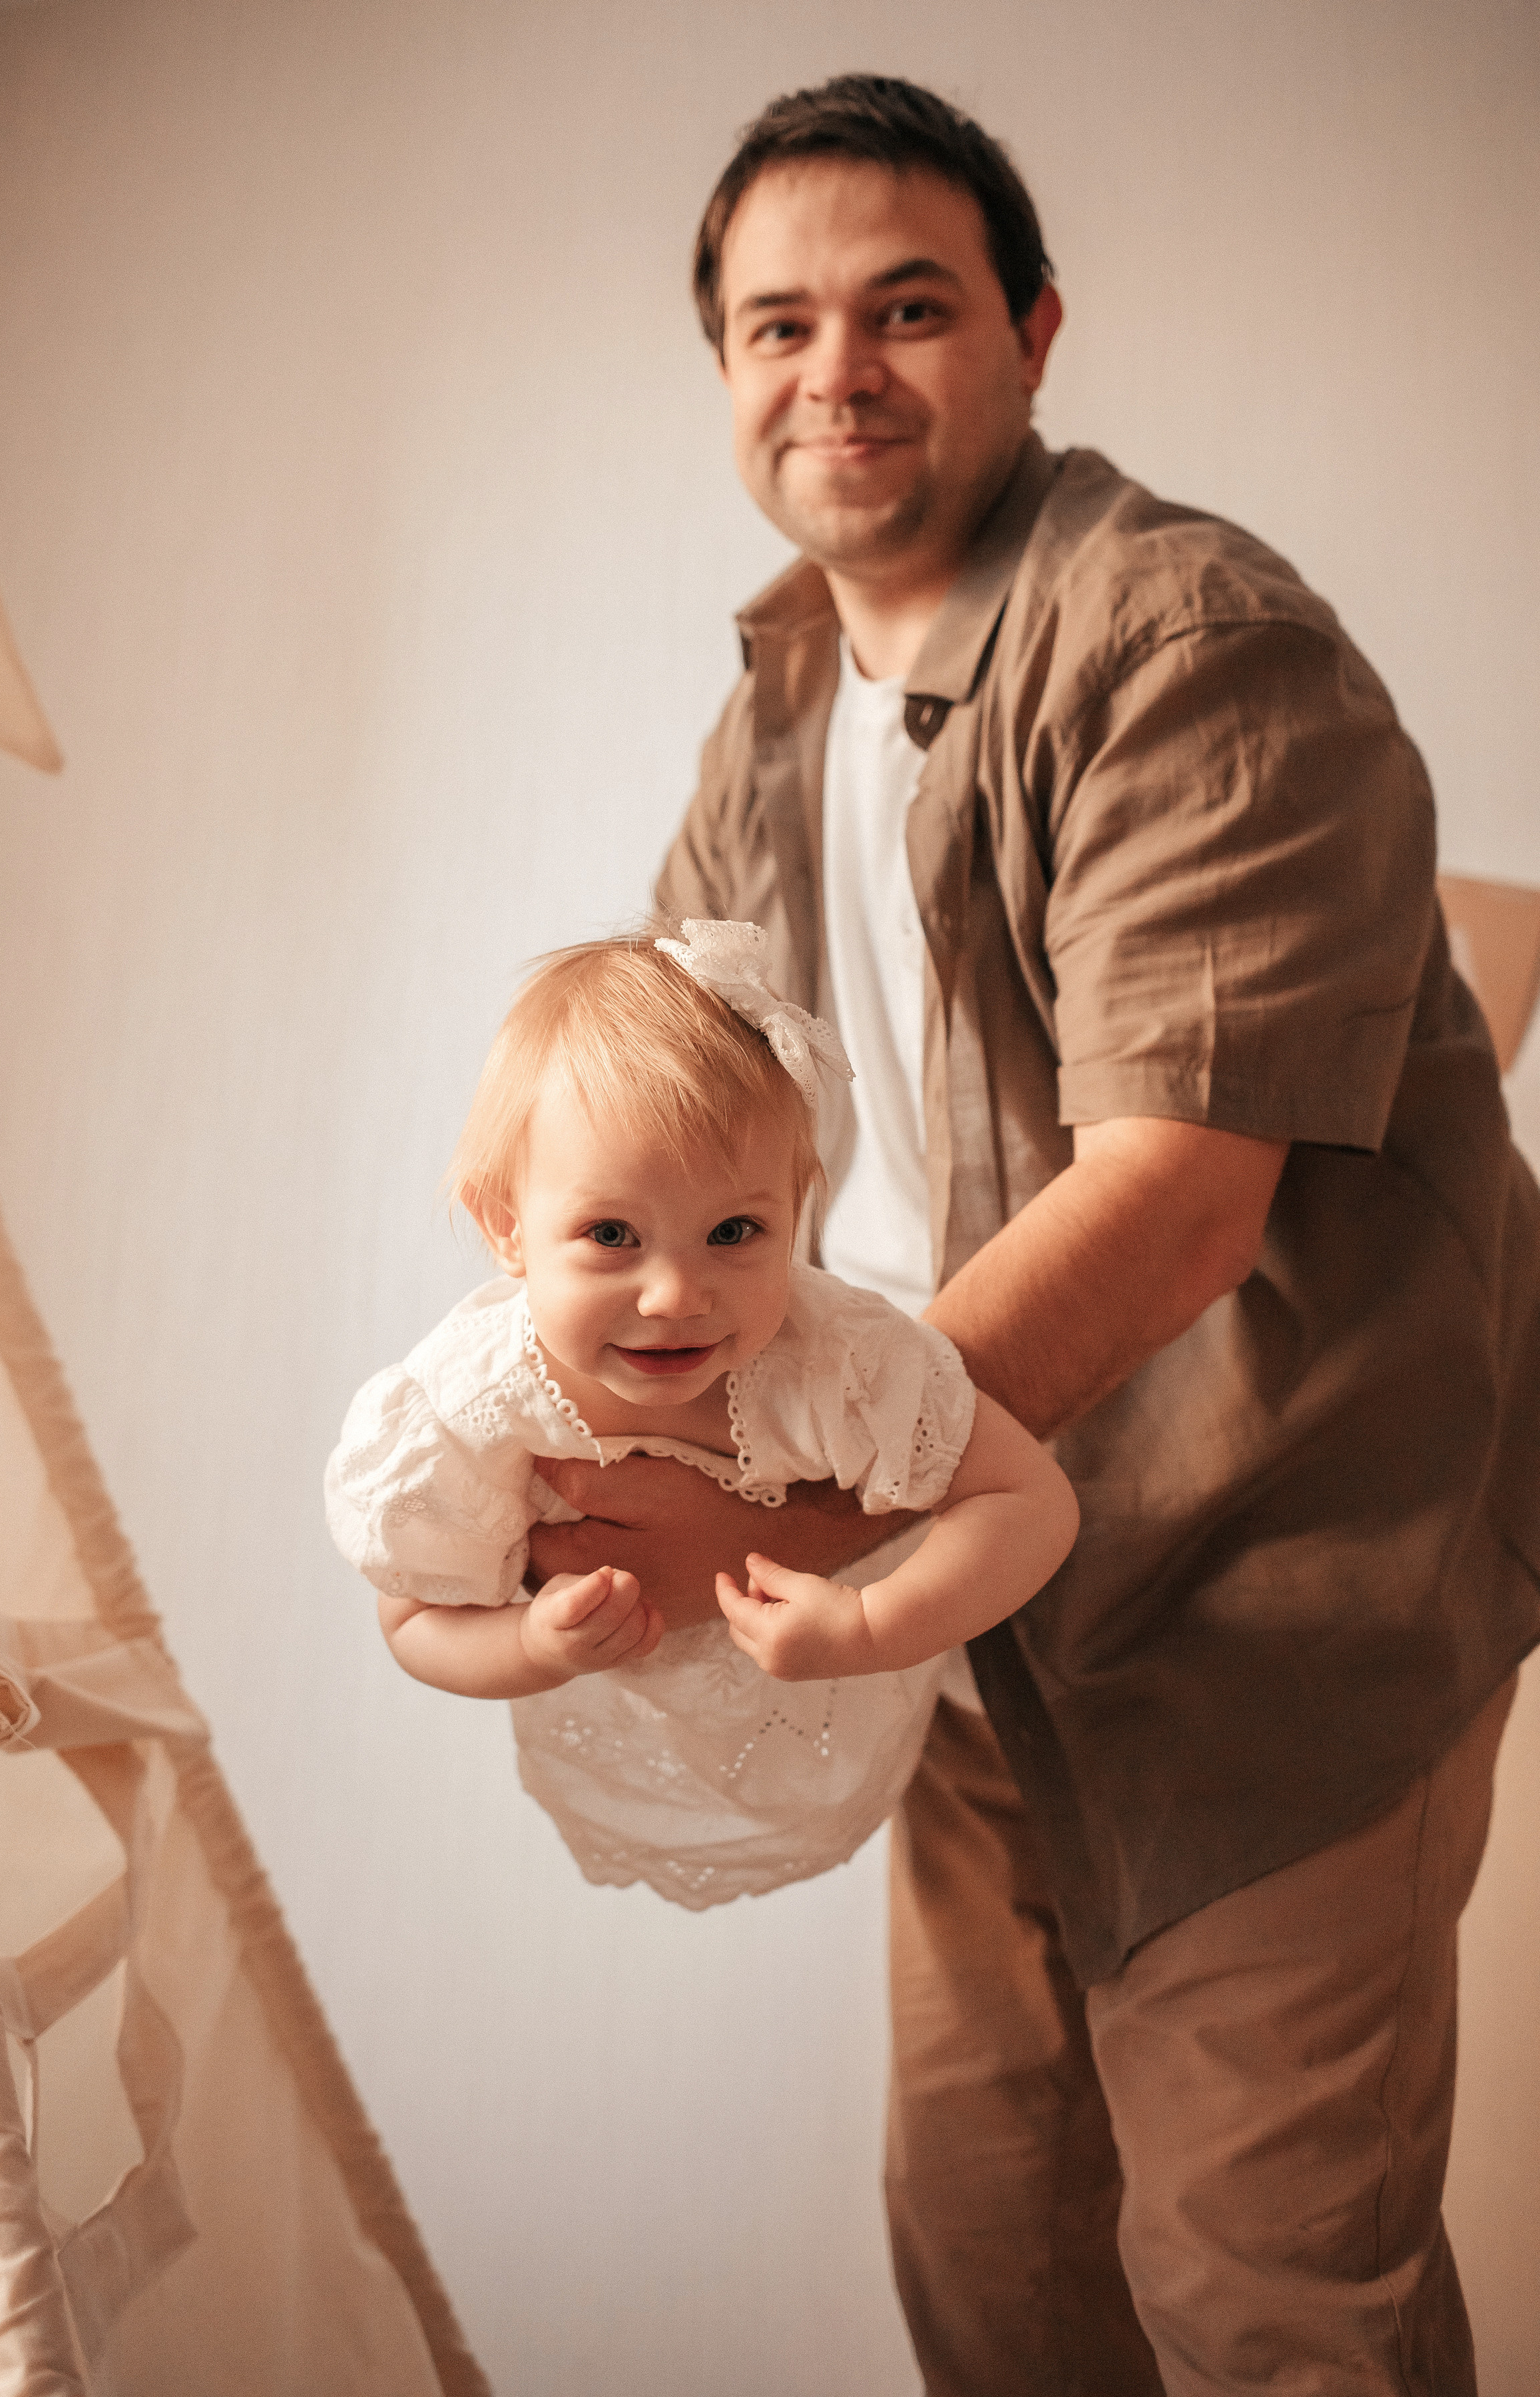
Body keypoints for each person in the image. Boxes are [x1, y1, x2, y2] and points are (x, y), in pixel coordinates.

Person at [525, 71, 1540, 2397]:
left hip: (1268, 1602)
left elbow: (1173, 1202)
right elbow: (681, 1150)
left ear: (1033, 332)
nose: (838, 372)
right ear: (725, 376)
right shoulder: (779, 699)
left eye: (907, 307)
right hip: (971, 1618)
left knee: (1270, 2310)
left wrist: (756, 1497)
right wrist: (535, 1428)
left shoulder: (1191, 642)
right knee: (997, 2275)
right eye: (775, 328)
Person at [325, 924, 1077, 1908]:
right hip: (622, 1764)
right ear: (505, 1226)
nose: (676, 1293)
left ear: (797, 1215)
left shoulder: (835, 1359)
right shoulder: (472, 1402)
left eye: (734, 1232)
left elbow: (1030, 1501)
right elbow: (413, 1616)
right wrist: (529, 1647)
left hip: (855, 1738)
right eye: (611, 1236)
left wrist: (871, 1626)